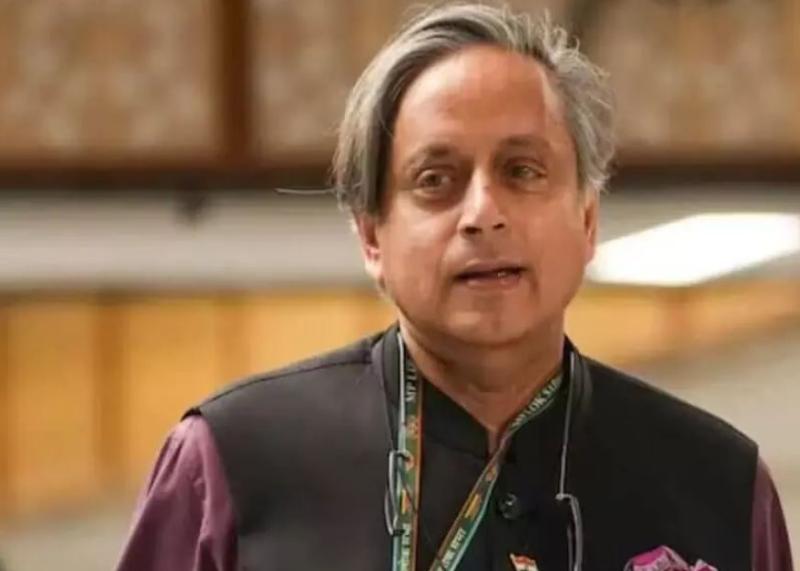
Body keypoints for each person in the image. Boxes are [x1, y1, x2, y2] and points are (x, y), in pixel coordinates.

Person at [116, 4, 793, 571]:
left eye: (523, 171)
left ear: (588, 221)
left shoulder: (719, 485)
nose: (483, 213)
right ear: (372, 236)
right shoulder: (232, 462)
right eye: (435, 180)